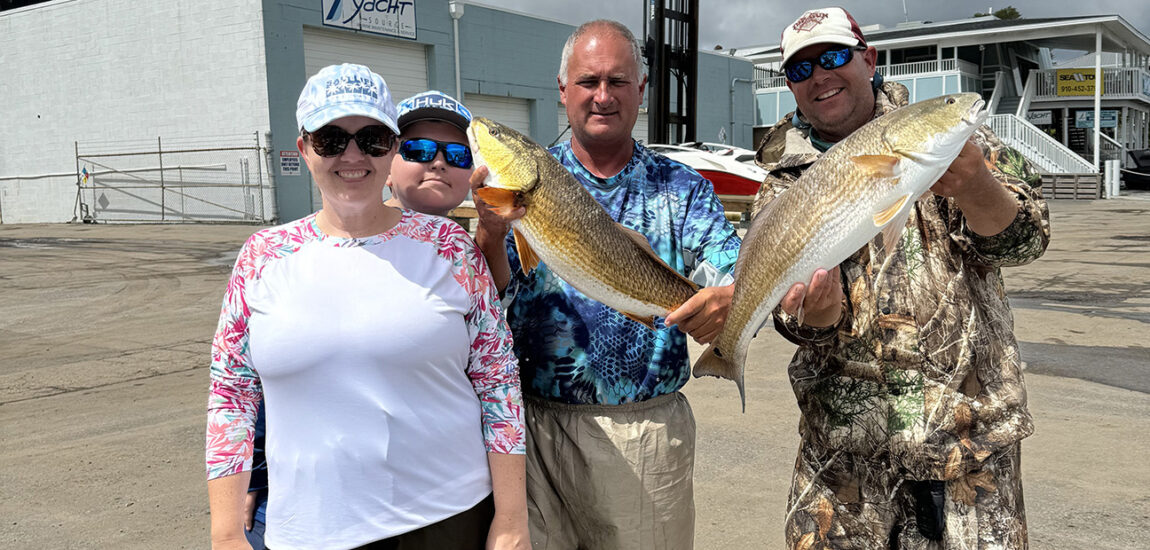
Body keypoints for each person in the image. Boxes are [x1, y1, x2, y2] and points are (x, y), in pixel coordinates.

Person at [752, 8, 1050, 549]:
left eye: (835, 56)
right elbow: (786, 315)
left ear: (868, 59)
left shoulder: (945, 134)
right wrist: (814, 319)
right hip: (842, 464)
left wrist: (976, 183)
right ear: (791, 87)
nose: (820, 76)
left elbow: (1025, 240)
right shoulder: (779, 187)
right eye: (800, 69)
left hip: (969, 452)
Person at [205, 63, 529, 550]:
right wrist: (226, 530)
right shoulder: (261, 256)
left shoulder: (449, 248)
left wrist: (511, 519)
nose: (352, 155)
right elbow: (232, 395)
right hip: (308, 529)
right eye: (331, 138)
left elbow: (498, 384)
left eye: (372, 138)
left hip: (448, 520)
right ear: (304, 149)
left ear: (392, 148)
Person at [471, 19, 742, 550]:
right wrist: (489, 231)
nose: (602, 96)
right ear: (563, 88)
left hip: (645, 435)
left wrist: (729, 299)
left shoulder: (682, 188)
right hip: (533, 428)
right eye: (588, 81)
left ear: (641, 90)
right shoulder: (525, 184)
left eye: (618, 82)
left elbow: (731, 267)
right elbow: (487, 303)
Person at [384, 90, 476, 216]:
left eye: (458, 154)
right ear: (386, 166)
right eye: (419, 150)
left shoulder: (489, 233)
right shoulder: (350, 231)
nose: (439, 163)